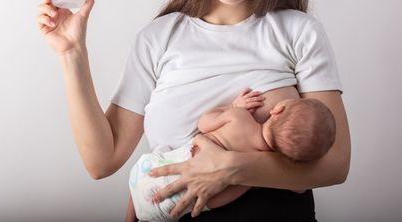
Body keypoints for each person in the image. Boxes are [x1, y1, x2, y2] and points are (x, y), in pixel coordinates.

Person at [37, 0, 350, 222]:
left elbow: (335, 164)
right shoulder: (158, 38)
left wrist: (233, 168)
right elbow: (101, 161)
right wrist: (72, 53)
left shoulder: (298, 31)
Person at [127, 87, 336, 221]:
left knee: (142, 177)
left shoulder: (240, 118)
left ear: (277, 109)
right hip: (173, 203)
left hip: (157, 168)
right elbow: (215, 201)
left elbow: (204, 122)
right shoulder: (251, 177)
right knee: (148, 209)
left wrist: (233, 106)